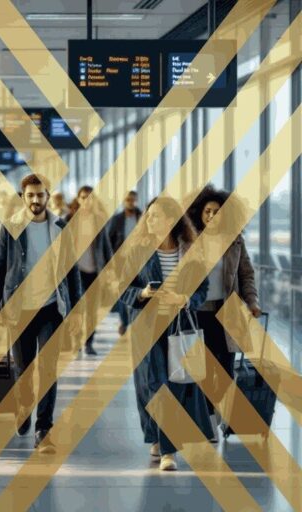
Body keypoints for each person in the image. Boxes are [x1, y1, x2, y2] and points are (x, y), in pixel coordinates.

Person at [0, 174, 82, 453]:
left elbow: (71, 271)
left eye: (40, 195)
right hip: (19, 310)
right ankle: (23, 407)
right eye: (30, 195)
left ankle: (44, 428)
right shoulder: (11, 228)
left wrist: (75, 312)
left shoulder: (61, 228)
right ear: (23, 196)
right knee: (23, 369)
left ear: (48, 195)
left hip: (52, 308)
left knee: (48, 369)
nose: (36, 200)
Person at [120, 196, 212, 472]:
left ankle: (158, 436)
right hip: (147, 327)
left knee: (176, 385)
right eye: (148, 216)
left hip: (179, 326)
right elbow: (122, 290)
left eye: (156, 216)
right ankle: (168, 451)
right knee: (154, 385)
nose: (149, 220)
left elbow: (203, 289)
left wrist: (186, 299)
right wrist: (142, 293)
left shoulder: (190, 251)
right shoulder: (137, 251)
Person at [187, 185, 260, 439]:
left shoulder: (234, 240)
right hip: (198, 312)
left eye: (216, 212)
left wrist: (252, 302)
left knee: (226, 366)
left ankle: (223, 416)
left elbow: (246, 274)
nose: (211, 216)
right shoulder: (191, 240)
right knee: (205, 369)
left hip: (227, 311)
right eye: (207, 211)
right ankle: (209, 422)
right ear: (199, 213)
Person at [66, 186, 113, 355]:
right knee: (76, 310)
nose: (86, 201)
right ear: (78, 199)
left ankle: (89, 343)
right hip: (76, 272)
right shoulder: (70, 220)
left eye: (89, 197)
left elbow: (106, 246)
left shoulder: (99, 219)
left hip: (95, 271)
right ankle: (76, 341)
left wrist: (110, 269)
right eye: (83, 197)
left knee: (92, 311)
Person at [107, 191, 143, 335]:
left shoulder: (143, 217)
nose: (131, 202)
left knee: (139, 292)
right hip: (121, 263)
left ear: (137, 201)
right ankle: (124, 321)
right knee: (123, 293)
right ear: (123, 201)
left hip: (140, 262)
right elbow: (109, 242)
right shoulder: (116, 220)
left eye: (133, 200)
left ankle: (135, 322)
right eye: (128, 200)